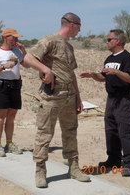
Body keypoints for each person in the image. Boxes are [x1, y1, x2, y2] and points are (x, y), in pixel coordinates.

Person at [24, 12, 91, 188]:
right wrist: (46, 70)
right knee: (44, 134)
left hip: (69, 96)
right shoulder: (50, 40)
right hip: (51, 97)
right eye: (79, 27)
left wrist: (78, 97)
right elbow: (28, 58)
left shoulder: (69, 47)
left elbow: (71, 73)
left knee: (71, 131)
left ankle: (74, 167)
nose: (80, 30)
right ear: (71, 25)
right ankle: (40, 170)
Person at [80, 29, 130, 176]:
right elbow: (103, 77)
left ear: (117, 41)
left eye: (109, 39)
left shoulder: (127, 58)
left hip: (123, 98)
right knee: (110, 130)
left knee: (125, 130)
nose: (106, 42)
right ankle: (113, 159)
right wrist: (93, 75)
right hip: (111, 99)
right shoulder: (109, 58)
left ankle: (129, 163)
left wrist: (117, 72)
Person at [0, 28, 29, 157]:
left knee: (12, 115)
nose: (16, 40)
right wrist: (3, 67)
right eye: (14, 37)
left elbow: (26, 65)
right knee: (1, 116)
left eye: (17, 38)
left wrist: (23, 51)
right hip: (2, 86)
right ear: (5, 37)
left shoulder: (16, 51)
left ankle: (9, 143)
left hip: (15, 86)